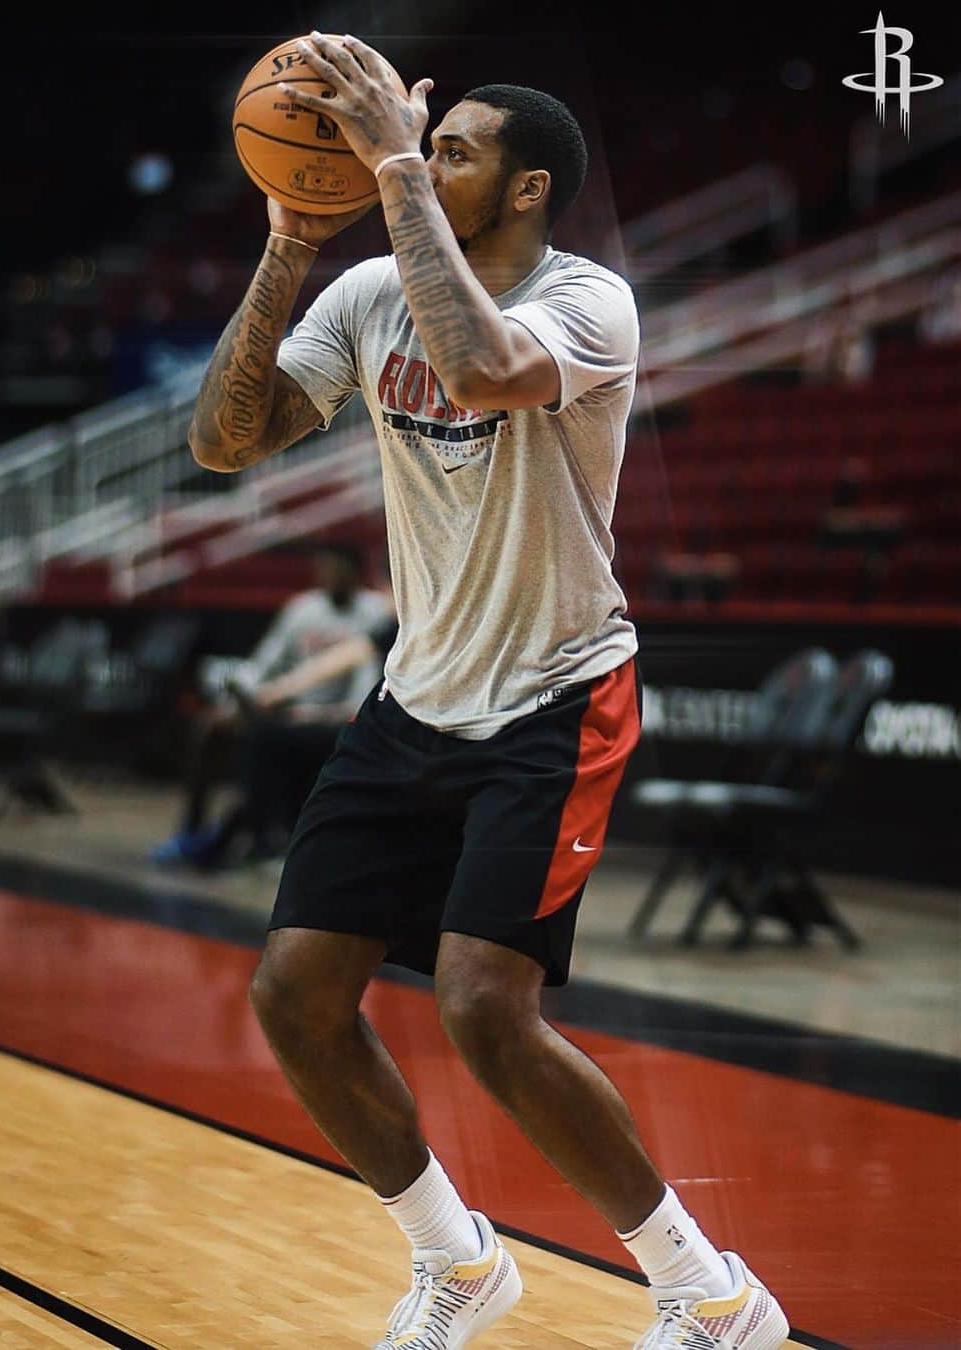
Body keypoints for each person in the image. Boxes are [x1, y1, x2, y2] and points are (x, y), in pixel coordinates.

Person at [190, 37, 788, 1350]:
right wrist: (290, 243)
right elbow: (223, 443)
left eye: (455, 146)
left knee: (482, 1007)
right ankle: (455, 1263)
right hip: (420, 697)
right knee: (293, 993)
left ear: (524, 189)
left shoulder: (593, 304)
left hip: (557, 693)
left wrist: (397, 167)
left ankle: (713, 1290)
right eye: (427, 140)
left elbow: (479, 371)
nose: (415, 150)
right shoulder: (363, 298)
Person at [150, 541, 388, 864]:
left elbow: (367, 681)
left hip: (340, 716)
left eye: (336, 569)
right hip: (290, 708)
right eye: (323, 568)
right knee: (213, 727)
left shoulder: (377, 612)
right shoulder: (303, 609)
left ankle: (248, 833)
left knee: (264, 740)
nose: (328, 575)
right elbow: (265, 664)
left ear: (355, 573)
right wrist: (242, 701)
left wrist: (316, 713)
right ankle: (193, 829)